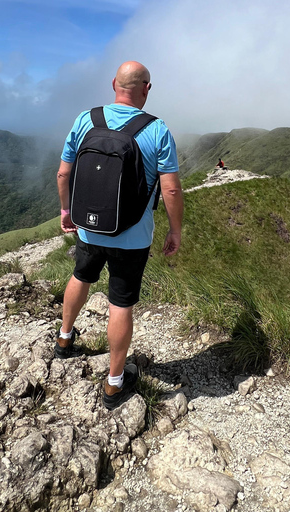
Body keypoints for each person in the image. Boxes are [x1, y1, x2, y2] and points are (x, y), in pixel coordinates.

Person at [55, 61, 184, 410]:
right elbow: (170, 191)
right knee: (120, 303)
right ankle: (114, 383)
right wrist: (175, 230)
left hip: (89, 228)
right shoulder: (156, 129)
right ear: (147, 88)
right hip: (132, 237)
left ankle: (65, 340)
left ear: (114, 84)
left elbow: (63, 174)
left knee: (81, 275)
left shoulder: (86, 120)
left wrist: (68, 214)